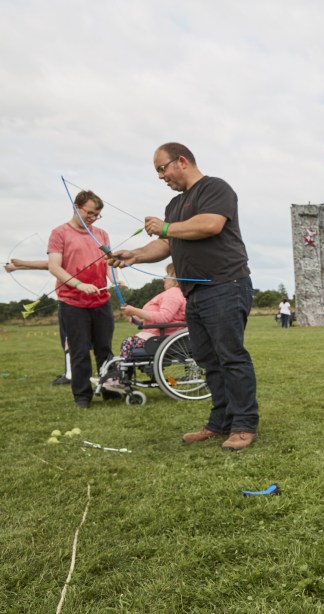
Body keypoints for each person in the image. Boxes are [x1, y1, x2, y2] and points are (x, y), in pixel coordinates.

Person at [108, 142, 259, 451]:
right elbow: (166, 246)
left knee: (230, 356)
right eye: (157, 172)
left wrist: (166, 227)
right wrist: (134, 255)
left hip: (225, 285)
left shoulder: (216, 188)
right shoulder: (174, 206)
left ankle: (244, 424)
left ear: (181, 161)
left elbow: (210, 224)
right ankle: (220, 423)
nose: (161, 176)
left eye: (162, 168)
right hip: (195, 292)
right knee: (206, 359)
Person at [46, 191, 113, 409]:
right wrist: (79, 284)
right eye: (90, 213)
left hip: (102, 300)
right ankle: (82, 397)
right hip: (72, 302)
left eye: (97, 215)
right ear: (77, 207)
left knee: (104, 348)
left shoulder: (101, 234)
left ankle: (110, 389)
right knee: (79, 350)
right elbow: (54, 266)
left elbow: (108, 263)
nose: (93, 218)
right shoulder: (59, 233)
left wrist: (116, 279)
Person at [5, 258, 71, 383]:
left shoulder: (71, 258)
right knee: (69, 340)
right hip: (65, 302)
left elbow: (47, 265)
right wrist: (17, 267)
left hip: (70, 303)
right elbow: (48, 265)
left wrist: (20, 264)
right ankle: (71, 373)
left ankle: (70, 375)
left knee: (69, 340)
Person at [116, 264, 186, 358]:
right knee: (128, 343)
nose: (164, 277)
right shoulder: (175, 293)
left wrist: (134, 311)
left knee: (127, 343)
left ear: (174, 278)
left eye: (167, 274)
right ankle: (122, 371)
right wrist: (139, 321)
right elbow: (170, 319)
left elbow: (163, 318)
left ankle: (121, 372)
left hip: (161, 338)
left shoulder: (173, 293)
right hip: (161, 335)